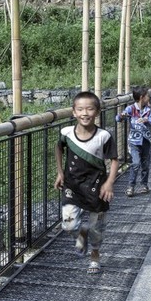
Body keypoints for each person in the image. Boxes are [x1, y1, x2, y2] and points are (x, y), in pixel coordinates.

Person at [55, 91, 119, 274]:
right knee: (68, 224)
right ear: (73, 112)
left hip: (97, 188)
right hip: (72, 187)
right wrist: (60, 172)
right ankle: (81, 234)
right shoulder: (66, 133)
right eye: (80, 109)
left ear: (97, 112)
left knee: (97, 227)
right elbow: (58, 148)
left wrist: (109, 183)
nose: (85, 113)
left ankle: (95, 255)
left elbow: (114, 159)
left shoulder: (104, 136)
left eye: (89, 109)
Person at [116, 86, 151, 197]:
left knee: (145, 164)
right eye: (147, 96)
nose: (148, 98)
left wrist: (146, 120)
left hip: (146, 141)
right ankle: (131, 186)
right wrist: (121, 116)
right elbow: (118, 118)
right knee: (136, 163)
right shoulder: (130, 109)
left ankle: (144, 185)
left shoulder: (148, 110)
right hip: (134, 141)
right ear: (142, 97)